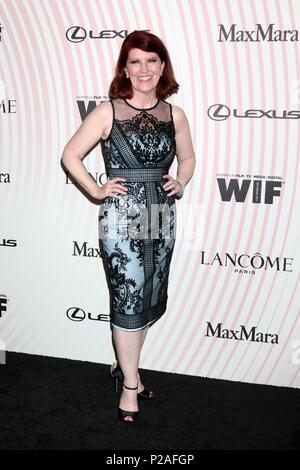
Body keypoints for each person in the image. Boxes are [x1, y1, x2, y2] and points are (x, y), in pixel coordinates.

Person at [61, 30, 195, 424]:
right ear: (125, 67)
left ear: (162, 66)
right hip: (121, 219)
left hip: (161, 217)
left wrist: (181, 182)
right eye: (135, 61)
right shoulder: (108, 111)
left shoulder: (175, 114)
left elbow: (187, 158)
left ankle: (127, 370)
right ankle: (131, 388)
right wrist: (98, 190)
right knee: (127, 298)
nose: (144, 69)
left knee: (148, 298)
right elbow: (70, 155)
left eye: (151, 61)